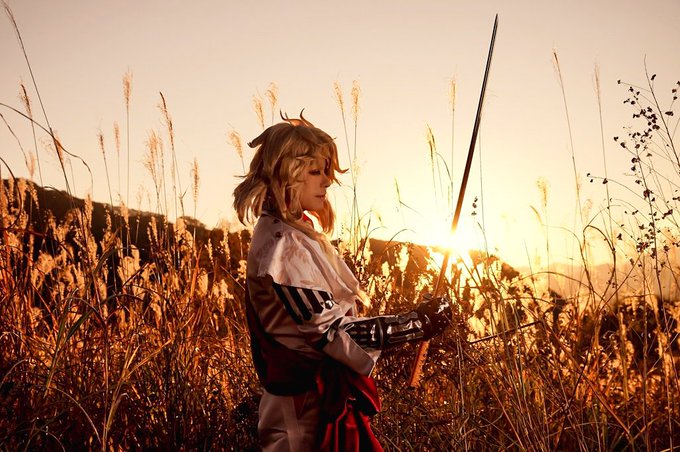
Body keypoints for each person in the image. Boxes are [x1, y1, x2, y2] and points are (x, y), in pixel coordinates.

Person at [233, 113, 452, 452]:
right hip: (304, 418)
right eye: (315, 172)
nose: (327, 181)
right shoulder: (283, 247)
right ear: (287, 173)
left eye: (326, 171)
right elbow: (332, 334)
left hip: (311, 407)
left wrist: (415, 323)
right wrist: (415, 324)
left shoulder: (289, 234)